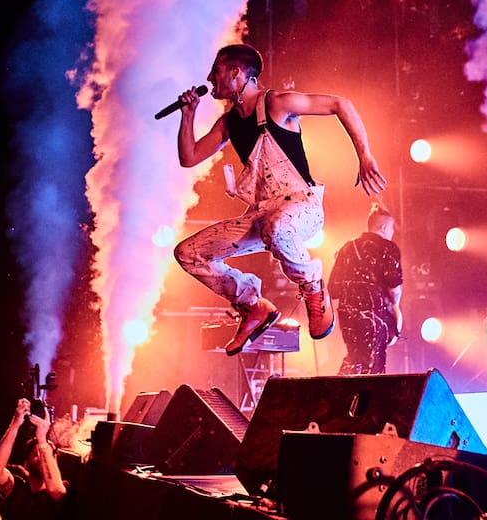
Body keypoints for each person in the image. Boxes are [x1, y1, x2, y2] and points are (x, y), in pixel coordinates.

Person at [172, 43, 387, 354]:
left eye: (216, 71)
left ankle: (313, 286)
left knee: (276, 227)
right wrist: (188, 115)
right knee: (188, 253)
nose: (209, 78)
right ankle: (252, 305)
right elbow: (189, 157)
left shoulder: (276, 103)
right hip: (262, 214)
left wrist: (365, 155)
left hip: (302, 206)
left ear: (236, 73)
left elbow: (340, 104)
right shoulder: (229, 123)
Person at [327, 203, 403, 374]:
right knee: (374, 365)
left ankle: (342, 388)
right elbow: (394, 287)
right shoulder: (388, 248)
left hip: (348, 316)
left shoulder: (347, 248)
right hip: (376, 316)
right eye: (392, 228)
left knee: (355, 359)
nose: (392, 233)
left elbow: (333, 289)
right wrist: (395, 308)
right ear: (383, 227)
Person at [0, 400, 65, 520]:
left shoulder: (61, 487)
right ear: (26, 463)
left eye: (47, 455)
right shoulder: (17, 488)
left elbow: (55, 489)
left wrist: (42, 440)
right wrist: (15, 423)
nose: (41, 457)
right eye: (36, 453)